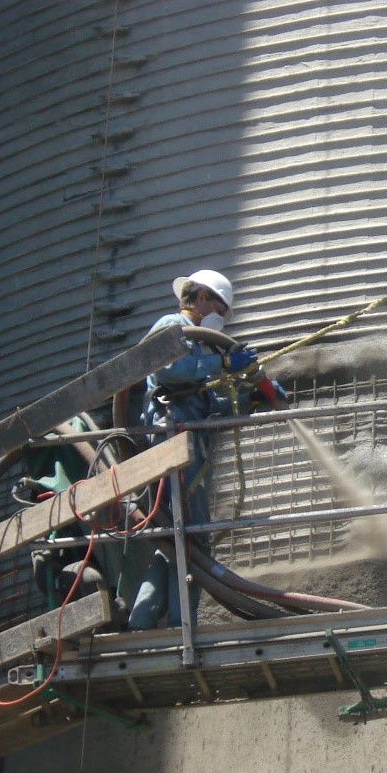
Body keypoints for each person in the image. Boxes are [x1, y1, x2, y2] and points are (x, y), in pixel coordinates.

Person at [128, 268, 259, 630]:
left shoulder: (200, 346)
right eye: (221, 307)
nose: (222, 317)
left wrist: (252, 396)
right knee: (194, 535)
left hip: (186, 442)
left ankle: (142, 620)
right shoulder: (172, 324)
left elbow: (206, 401)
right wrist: (225, 362)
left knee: (173, 537)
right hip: (172, 439)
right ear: (200, 297)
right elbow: (169, 369)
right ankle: (182, 625)